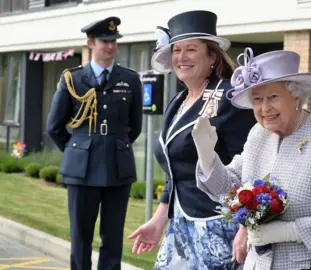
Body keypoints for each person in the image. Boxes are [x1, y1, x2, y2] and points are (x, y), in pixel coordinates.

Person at [192, 47, 311, 270]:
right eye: (257, 100)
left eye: (273, 97)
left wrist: (291, 232)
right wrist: (207, 156)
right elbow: (229, 190)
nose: (265, 108)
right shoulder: (258, 134)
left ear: (296, 95)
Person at [127, 10, 256, 270]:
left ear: (211, 56)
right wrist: (158, 219)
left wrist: (247, 227)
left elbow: (252, 167)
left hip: (219, 228)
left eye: (191, 50)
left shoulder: (230, 97)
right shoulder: (178, 102)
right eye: (176, 50)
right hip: (180, 225)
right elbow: (175, 173)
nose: (181, 57)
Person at [46, 16, 143, 270]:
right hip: (82, 170)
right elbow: (54, 127)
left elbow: (135, 127)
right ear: (90, 43)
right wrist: (78, 148)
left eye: (114, 41)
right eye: (104, 41)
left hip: (117, 168)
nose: (110, 46)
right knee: (80, 238)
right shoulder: (73, 79)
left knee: (113, 239)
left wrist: (112, 145)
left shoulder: (130, 79)